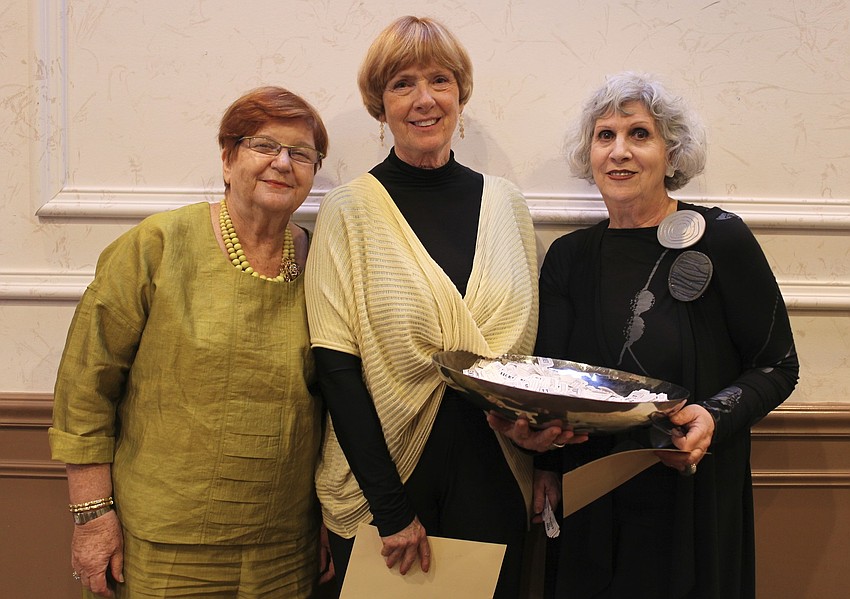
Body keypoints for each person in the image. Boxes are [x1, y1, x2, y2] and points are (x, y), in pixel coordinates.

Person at [304, 16, 581, 599]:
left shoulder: (507, 205)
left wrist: (538, 436)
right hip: (385, 487)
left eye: (440, 80)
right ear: (380, 105)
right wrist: (391, 509)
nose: (424, 98)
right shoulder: (348, 211)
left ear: (461, 94)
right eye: (403, 83)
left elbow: (530, 358)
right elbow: (337, 371)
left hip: (496, 473)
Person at [500, 72, 799, 599]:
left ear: (672, 151)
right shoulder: (569, 258)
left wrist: (712, 417)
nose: (619, 152)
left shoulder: (721, 237)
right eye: (605, 135)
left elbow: (777, 364)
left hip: (691, 489)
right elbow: (551, 379)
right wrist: (544, 463)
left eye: (639, 134)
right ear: (588, 152)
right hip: (591, 494)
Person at [49, 86, 331, 598]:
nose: (283, 163)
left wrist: (327, 520)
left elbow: (332, 404)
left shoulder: (322, 260)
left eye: (301, 154)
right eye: (264, 145)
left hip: (284, 545)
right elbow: (86, 387)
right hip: (167, 545)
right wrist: (92, 518)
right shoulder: (155, 246)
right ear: (227, 159)